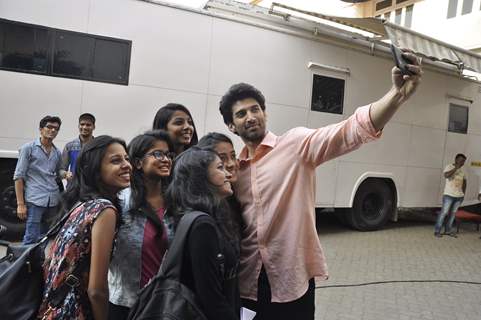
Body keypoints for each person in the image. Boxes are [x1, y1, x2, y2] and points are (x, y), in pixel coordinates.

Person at [218, 52, 423, 319]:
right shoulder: (235, 172)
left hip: (292, 280)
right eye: (241, 113)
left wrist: (397, 95)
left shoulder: (296, 145)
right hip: (248, 282)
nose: (250, 116)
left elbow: (351, 130)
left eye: (255, 109)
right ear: (232, 126)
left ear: (265, 113)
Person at [38, 135, 132, 320]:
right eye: (115, 160)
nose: (126, 165)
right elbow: (97, 290)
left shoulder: (80, 204)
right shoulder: (104, 210)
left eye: (126, 159)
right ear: (94, 170)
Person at [165, 147, 240, 320]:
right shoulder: (202, 226)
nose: (228, 173)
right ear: (200, 177)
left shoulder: (210, 216)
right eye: (220, 167)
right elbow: (210, 298)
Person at [108, 130, 175, 319]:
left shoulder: (177, 203)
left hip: (164, 305)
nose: (166, 159)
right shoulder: (119, 202)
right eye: (158, 154)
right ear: (137, 163)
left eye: (169, 155)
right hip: (123, 304)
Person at [13, 115, 67, 244]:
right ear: (41, 129)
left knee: (47, 237)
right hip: (35, 200)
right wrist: (20, 204)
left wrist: (65, 173)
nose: (53, 130)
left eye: (56, 128)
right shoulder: (28, 148)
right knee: (31, 237)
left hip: (52, 200)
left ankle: (40, 263)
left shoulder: (56, 152)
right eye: (49, 127)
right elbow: (18, 177)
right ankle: (26, 263)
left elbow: (58, 172)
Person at [434, 153, 467, 238]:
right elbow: (446, 175)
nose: (462, 163)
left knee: (452, 214)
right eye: (460, 160)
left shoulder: (464, 171)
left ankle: (448, 231)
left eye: (463, 161)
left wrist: (463, 194)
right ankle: (437, 231)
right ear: (456, 160)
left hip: (459, 196)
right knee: (444, 213)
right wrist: (456, 168)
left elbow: (464, 182)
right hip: (449, 195)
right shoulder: (449, 166)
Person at [61, 113, 96, 183]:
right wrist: (65, 174)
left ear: (94, 127)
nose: (85, 127)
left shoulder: (99, 146)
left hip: (93, 189)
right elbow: (61, 170)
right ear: (78, 126)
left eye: (88, 125)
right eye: (82, 124)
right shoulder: (69, 146)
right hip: (73, 188)